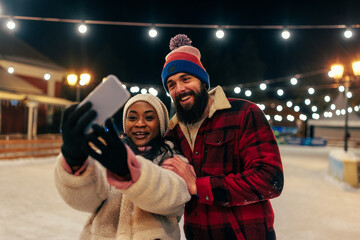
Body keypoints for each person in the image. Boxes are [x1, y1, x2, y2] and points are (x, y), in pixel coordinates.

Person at [160, 34, 284, 240]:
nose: (179, 89)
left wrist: (197, 186)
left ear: (202, 81)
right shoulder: (173, 133)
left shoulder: (244, 113)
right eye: (171, 85)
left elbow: (270, 179)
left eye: (185, 79)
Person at [54, 94, 191, 239]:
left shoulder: (173, 159)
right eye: (132, 118)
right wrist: (74, 159)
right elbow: (87, 201)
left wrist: (131, 171)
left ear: (161, 123)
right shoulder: (109, 154)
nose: (140, 123)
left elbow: (175, 199)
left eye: (149, 118)